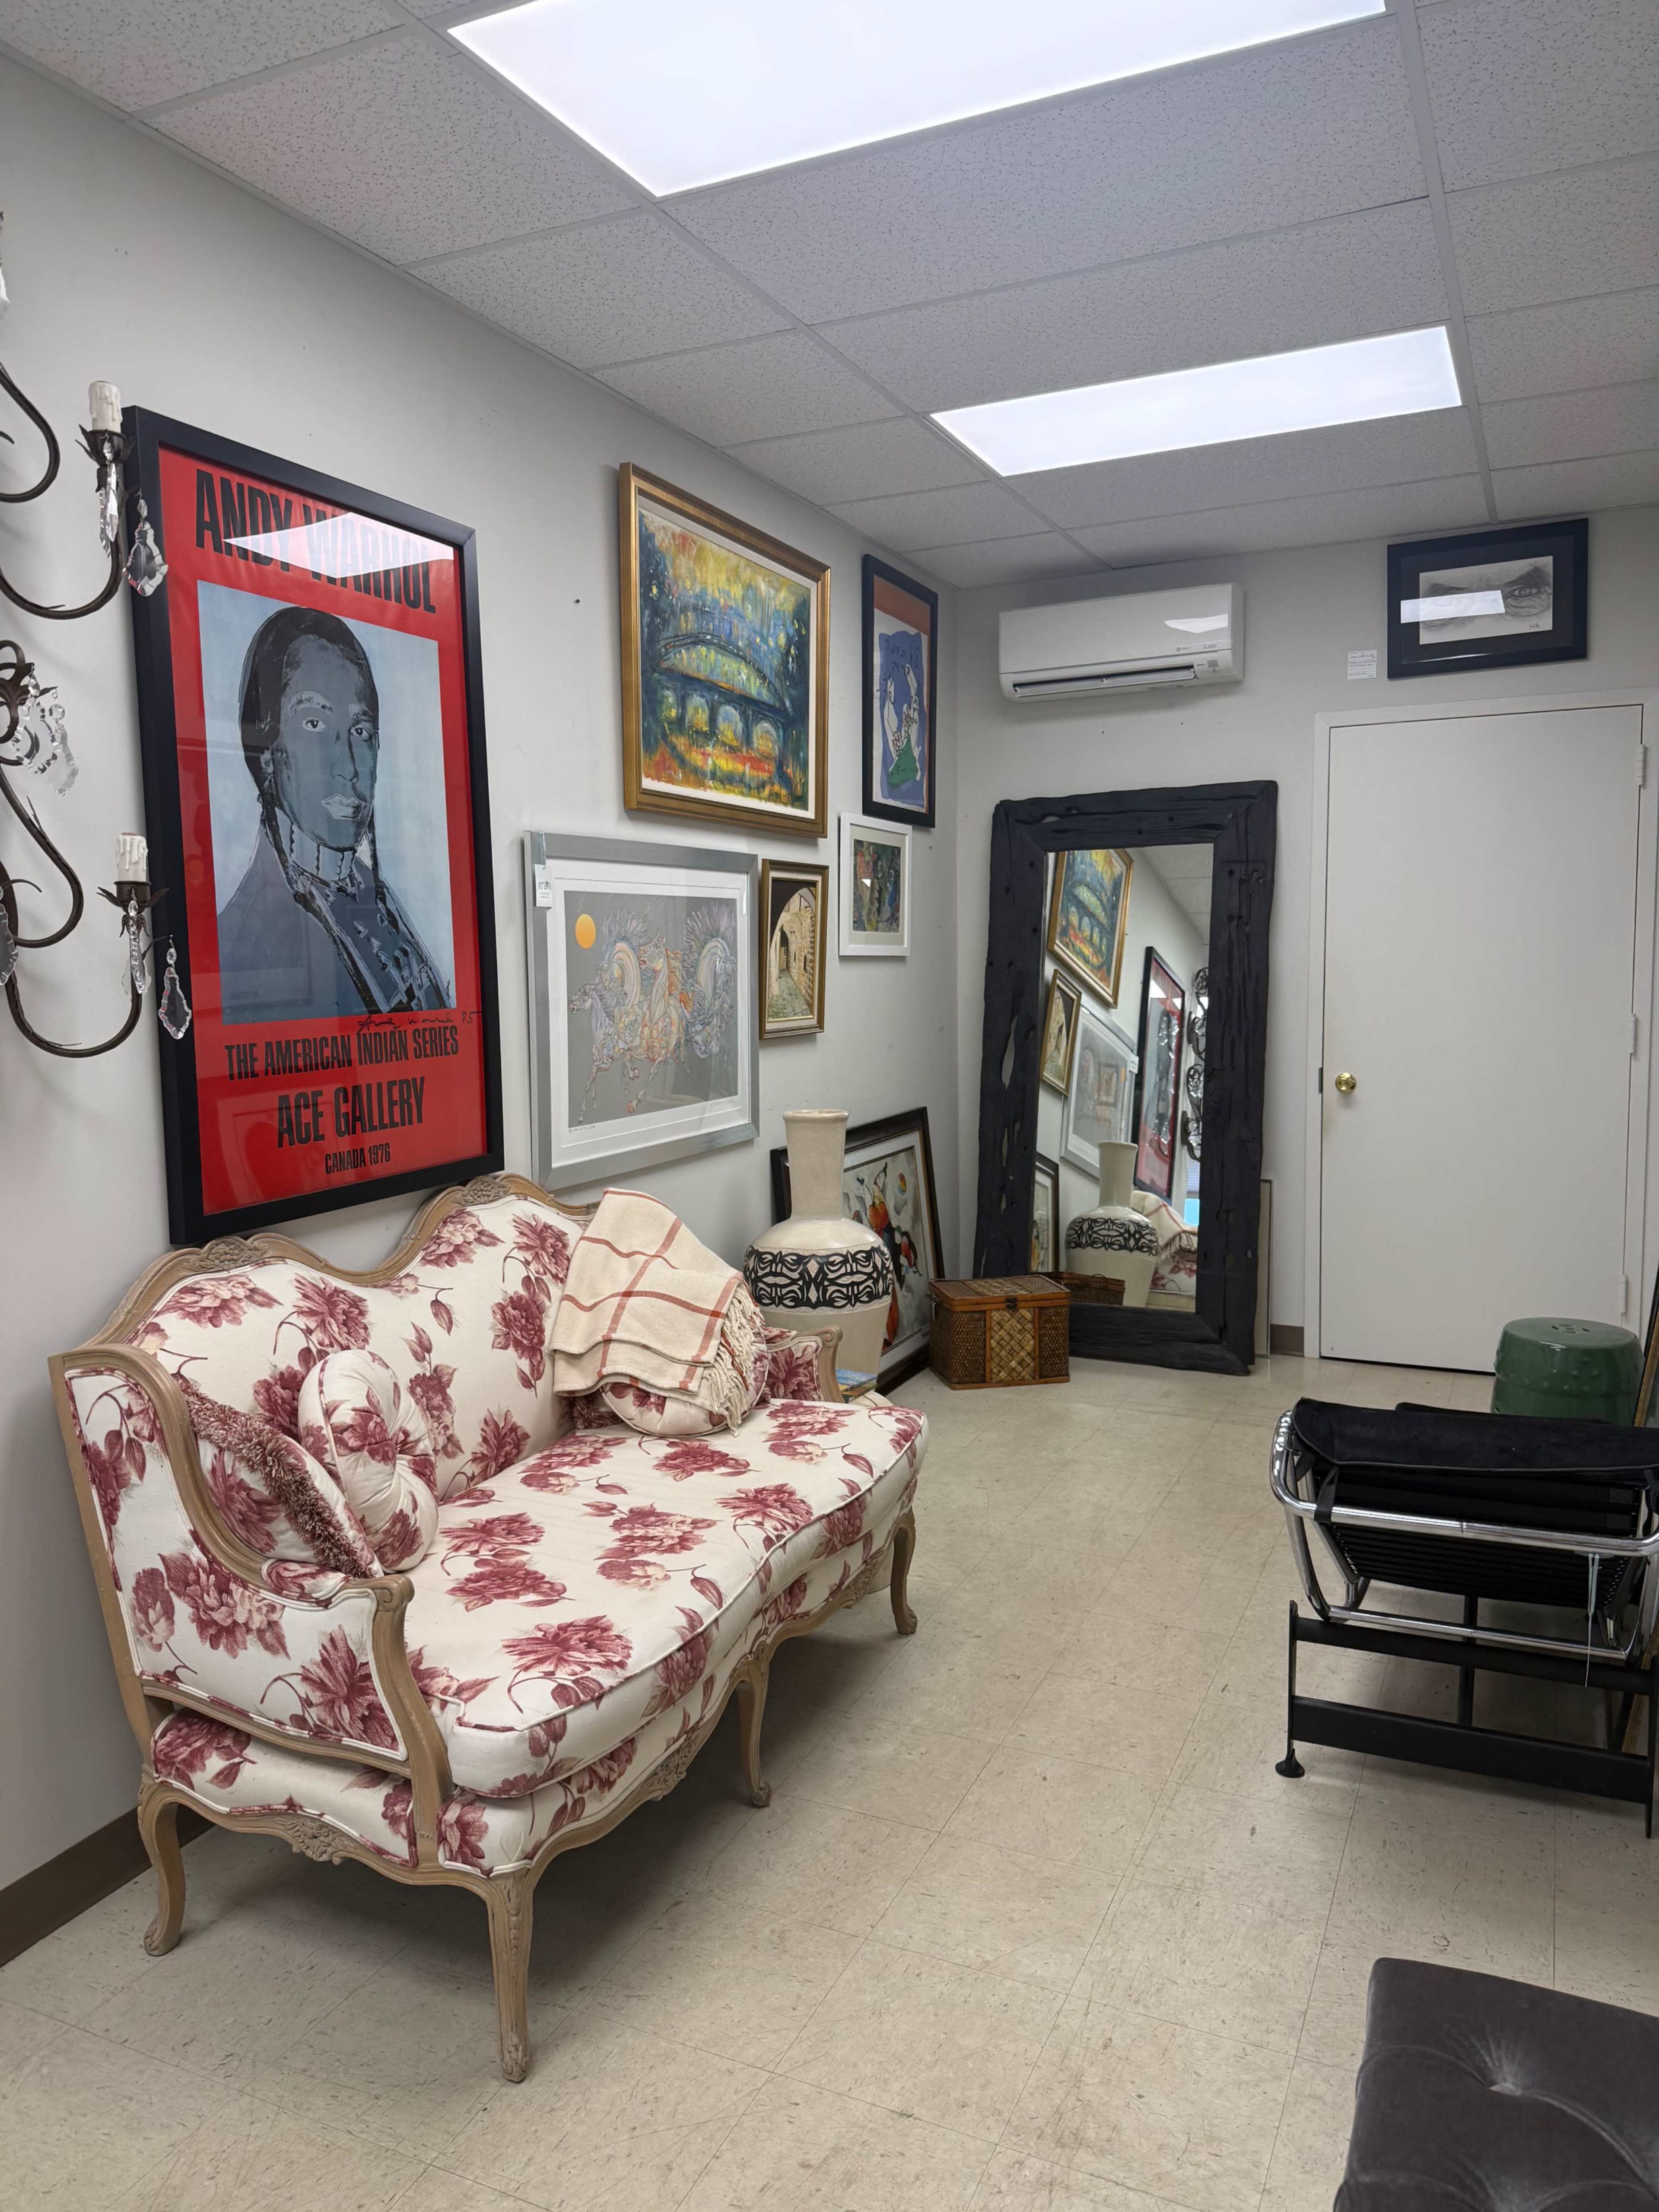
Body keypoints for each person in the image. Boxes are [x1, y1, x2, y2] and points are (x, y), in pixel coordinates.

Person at [216, 607, 449, 1023]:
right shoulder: (247, 939)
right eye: (314, 723)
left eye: (360, 732)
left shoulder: (370, 893)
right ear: (267, 753)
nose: (348, 767)